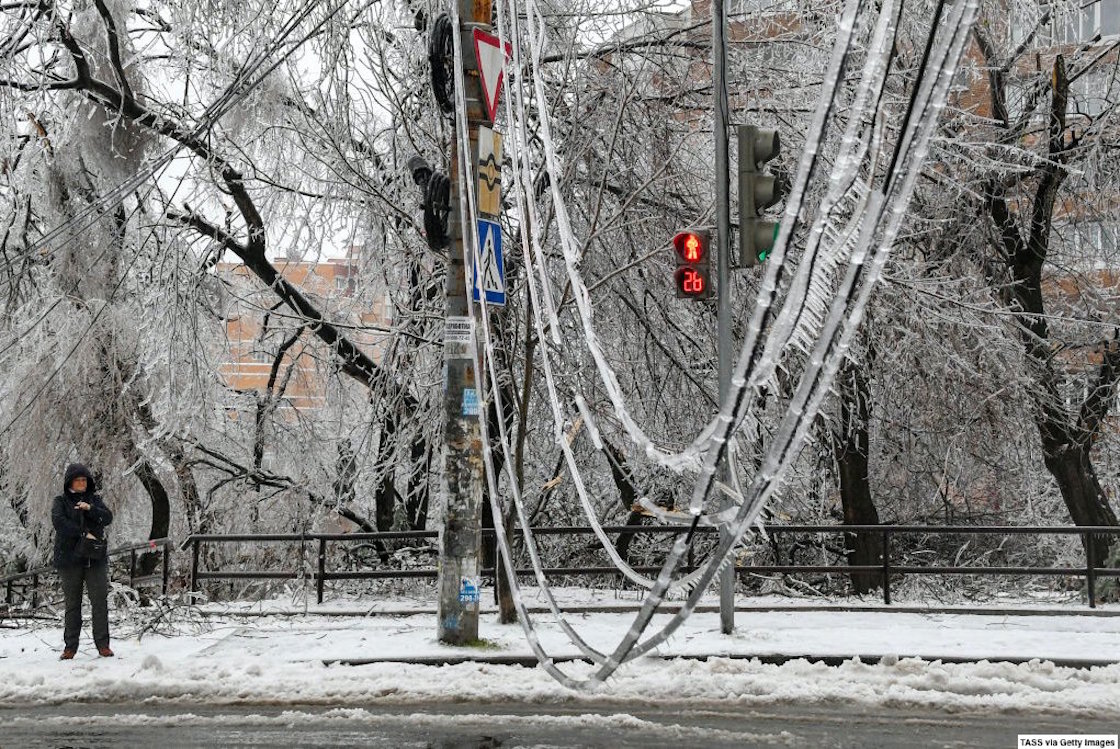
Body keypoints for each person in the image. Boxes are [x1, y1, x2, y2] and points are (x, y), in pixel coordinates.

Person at [51, 463, 114, 659]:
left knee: (99, 601)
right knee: (72, 604)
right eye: (78, 480)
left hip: (94, 558)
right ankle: (70, 647)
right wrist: (84, 533)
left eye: (84, 480)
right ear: (70, 481)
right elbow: (59, 523)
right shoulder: (61, 501)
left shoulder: (94, 500)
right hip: (69, 559)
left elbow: (107, 517)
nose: (82, 483)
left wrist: (90, 509)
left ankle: (103, 645)